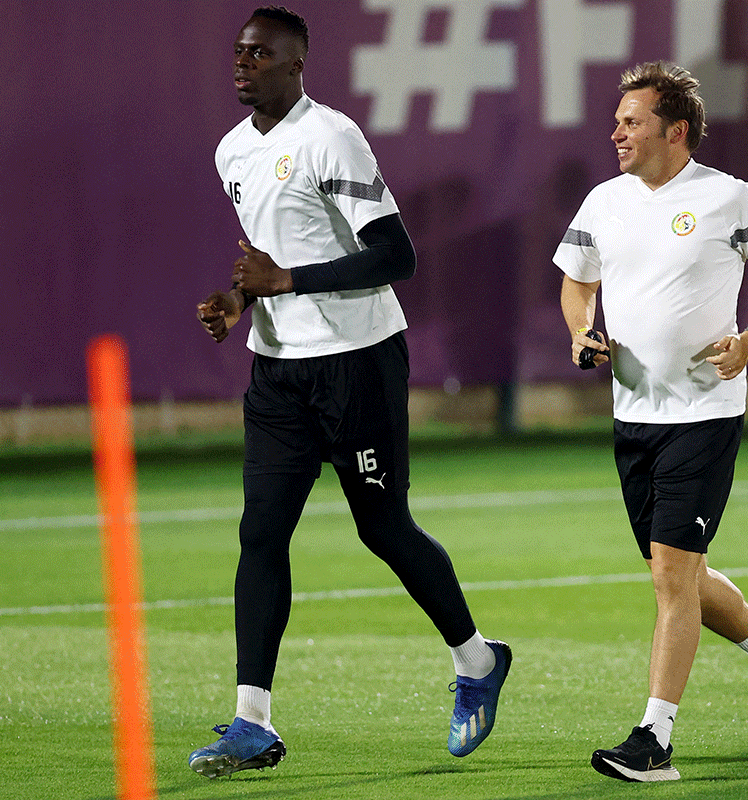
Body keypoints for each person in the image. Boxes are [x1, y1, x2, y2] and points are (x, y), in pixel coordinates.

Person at [188, 6, 510, 777]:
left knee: (383, 528)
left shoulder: (331, 137)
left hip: (357, 361)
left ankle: (477, 661)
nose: (243, 63)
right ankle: (251, 722)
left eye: (260, 54)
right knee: (260, 534)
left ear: (296, 65)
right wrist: (240, 301)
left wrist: (285, 281)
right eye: (239, 51)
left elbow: (396, 256)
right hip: (277, 371)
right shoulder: (231, 150)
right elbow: (268, 261)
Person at [555, 61, 748, 782]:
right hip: (632, 413)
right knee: (679, 575)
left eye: (631, 121)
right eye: (617, 121)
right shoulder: (603, 201)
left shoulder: (729, 198)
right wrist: (581, 333)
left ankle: (654, 738)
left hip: (704, 413)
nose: (616, 133)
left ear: (676, 131)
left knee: (672, 577)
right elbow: (578, 281)